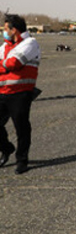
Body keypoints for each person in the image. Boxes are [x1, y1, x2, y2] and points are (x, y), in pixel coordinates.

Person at [0, 14, 41, 174]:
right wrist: (6, 65)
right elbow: (8, 65)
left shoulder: (30, 43)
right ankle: (7, 148)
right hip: (2, 92)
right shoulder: (5, 46)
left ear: (14, 30)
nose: (3, 32)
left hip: (20, 93)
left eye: (5, 29)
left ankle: (22, 160)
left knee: (21, 128)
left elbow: (13, 63)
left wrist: (5, 64)